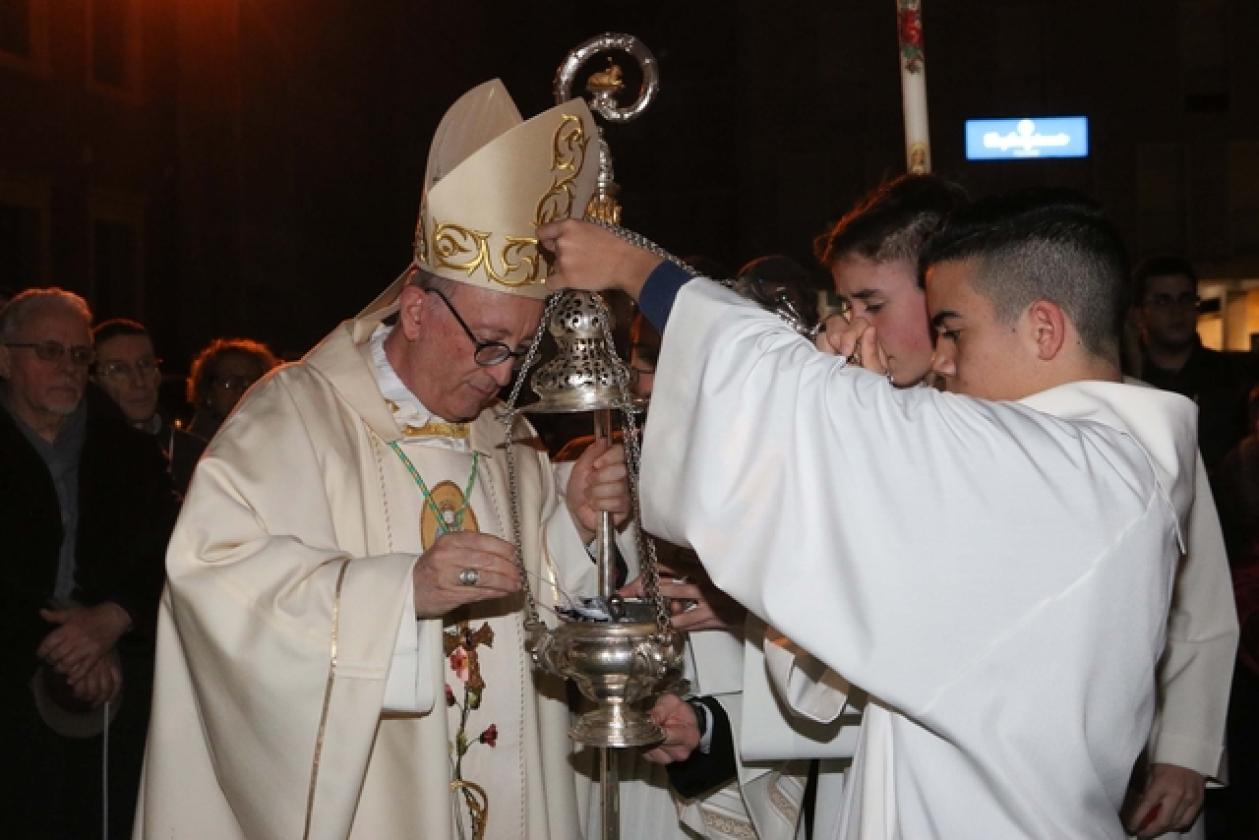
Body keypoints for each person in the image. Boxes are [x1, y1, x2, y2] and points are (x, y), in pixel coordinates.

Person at [539, 191, 1206, 838]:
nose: (941, 360)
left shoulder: (1064, 472)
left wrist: (637, 270)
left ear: (1041, 328)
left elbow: (782, 391)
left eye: (953, 330)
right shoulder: (1091, 464)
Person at [134, 80, 631, 840]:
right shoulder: (296, 416)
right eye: (489, 344)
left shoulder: (508, 440)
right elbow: (211, 578)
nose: (502, 376)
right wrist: (398, 594)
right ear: (419, 307)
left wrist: (574, 519)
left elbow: (547, 606)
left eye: (522, 352)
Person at [812, 176, 1237, 840]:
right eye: (844, 304)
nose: (853, 326)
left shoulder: (1105, 420)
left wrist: (1184, 747)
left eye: (871, 303)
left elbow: (1197, 593)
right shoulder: (891, 413)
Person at [0, 288, 176, 839]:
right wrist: (73, 645)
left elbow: (172, 554)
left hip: (117, 696)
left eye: (79, 355)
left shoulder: (128, 452)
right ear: (5, 358)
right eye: (49, 351)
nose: (68, 368)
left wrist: (113, 618)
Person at [1131, 256, 1259, 472]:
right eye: (1163, 301)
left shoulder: (1237, 378)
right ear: (1138, 315)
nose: (1177, 311)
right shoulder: (1124, 383)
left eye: (1186, 299)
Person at [93, 318, 208, 494]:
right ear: (93, 381)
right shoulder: (79, 454)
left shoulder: (196, 455)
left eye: (145, 364)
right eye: (119, 369)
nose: (139, 381)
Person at [183, 336, 280, 441]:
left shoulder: (277, 435)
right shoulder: (197, 446)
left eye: (251, 382)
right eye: (230, 382)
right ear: (208, 391)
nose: (241, 390)